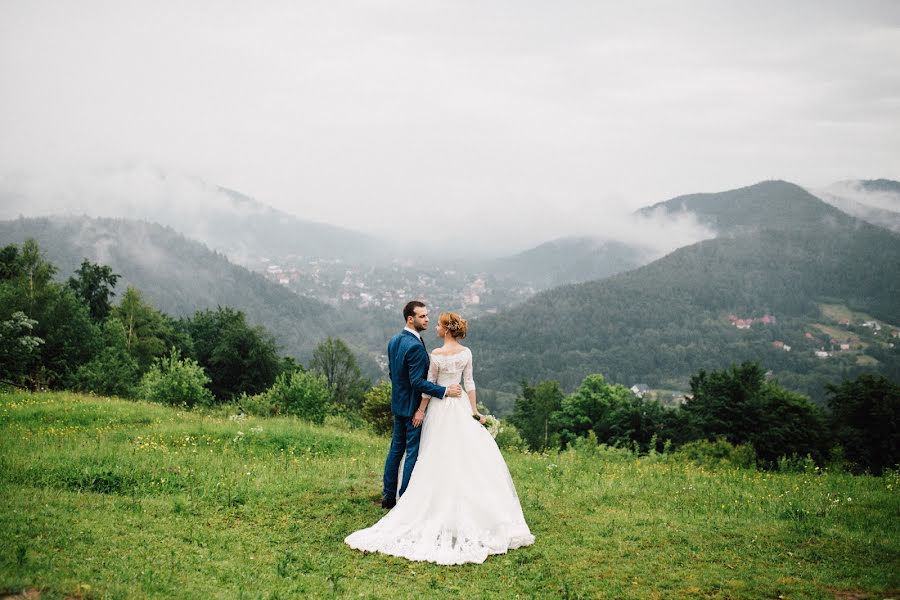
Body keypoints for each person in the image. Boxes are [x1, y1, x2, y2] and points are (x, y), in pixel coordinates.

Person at [345, 311, 535, 565]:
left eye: (437, 324)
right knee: (465, 457)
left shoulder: (435, 355)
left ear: (446, 330)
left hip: (438, 409)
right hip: (460, 407)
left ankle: (412, 499)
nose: (433, 325)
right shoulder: (466, 353)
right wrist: (475, 410)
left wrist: (421, 411)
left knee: (432, 454)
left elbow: (427, 384)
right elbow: (469, 383)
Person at [380, 301, 463, 509]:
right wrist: (445, 391)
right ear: (411, 319)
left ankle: (388, 496)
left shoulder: (394, 341)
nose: (427, 319)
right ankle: (405, 499)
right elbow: (417, 382)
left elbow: (394, 375)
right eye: (422, 316)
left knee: (395, 450)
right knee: (412, 452)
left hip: (398, 404)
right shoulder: (415, 346)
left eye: (427, 316)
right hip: (412, 408)